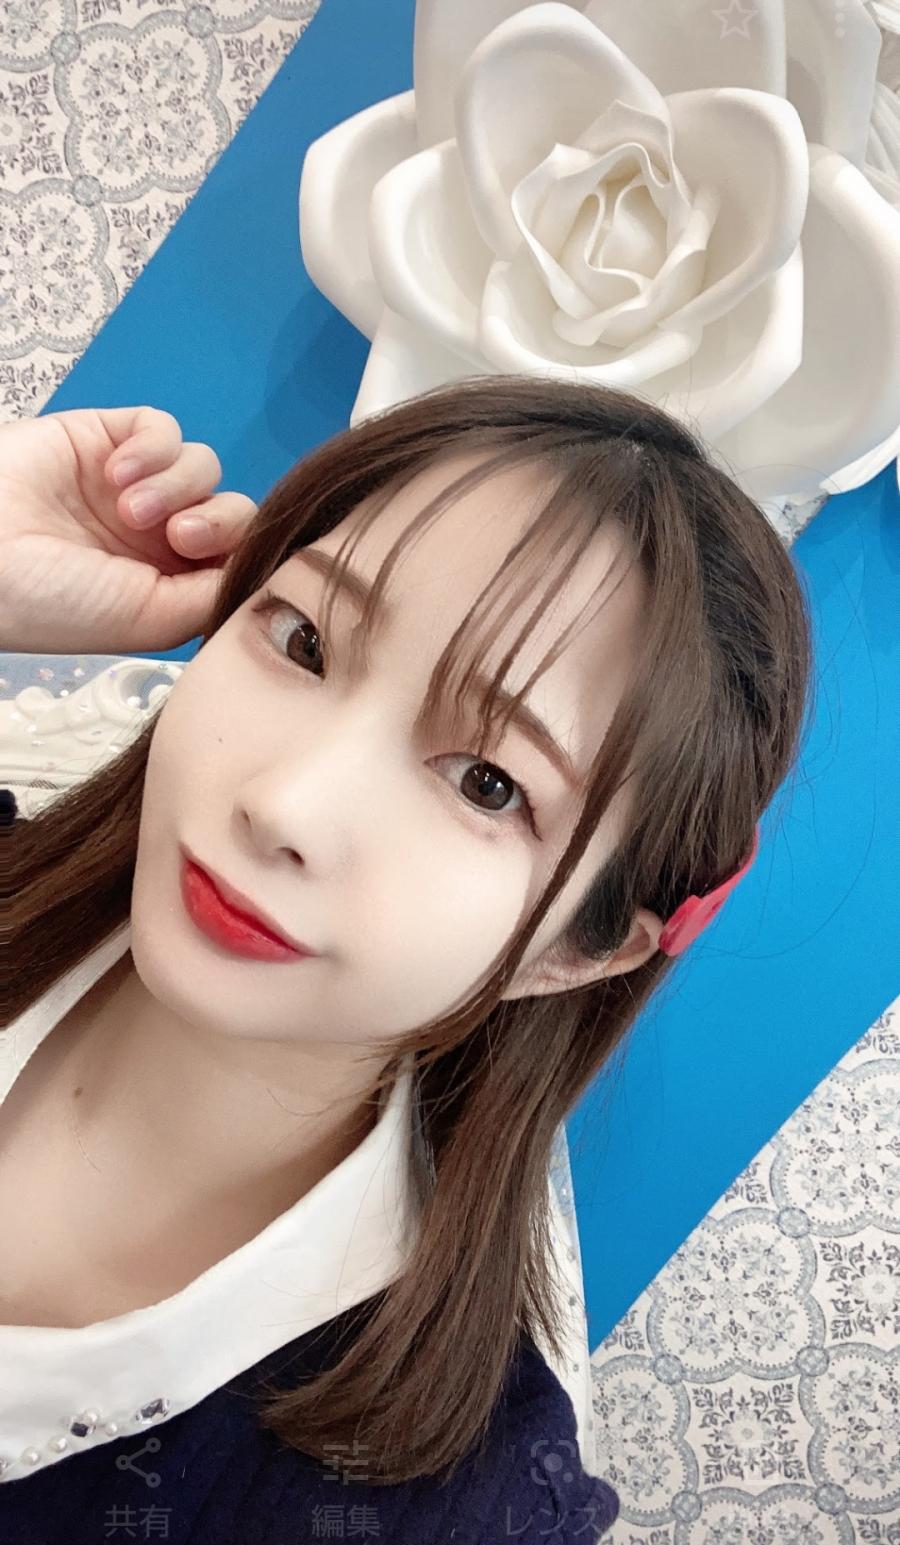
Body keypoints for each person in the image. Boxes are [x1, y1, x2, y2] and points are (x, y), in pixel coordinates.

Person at [0, 375, 814, 1542]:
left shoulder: (456, 1505)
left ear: (580, 951)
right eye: (304, 640)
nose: (286, 803)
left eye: (486, 783)